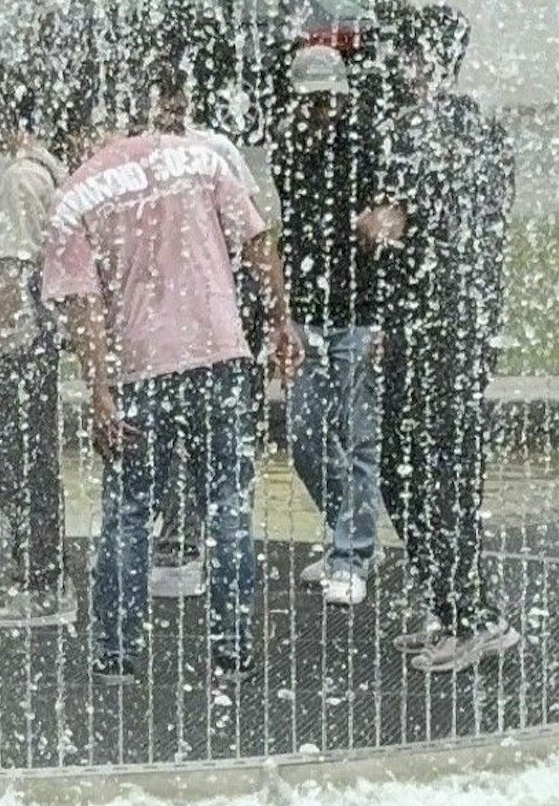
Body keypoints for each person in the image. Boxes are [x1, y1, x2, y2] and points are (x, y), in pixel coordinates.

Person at [41, 113, 302, 682]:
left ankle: (116, 655)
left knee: (130, 511)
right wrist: (280, 321)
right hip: (219, 354)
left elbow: (84, 305)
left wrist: (100, 390)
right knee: (228, 505)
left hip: (140, 369)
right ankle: (233, 653)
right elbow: (258, 241)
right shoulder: (201, 159)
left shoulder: (76, 194)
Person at [376, 5, 523, 672]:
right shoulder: (480, 126)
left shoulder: (422, 128)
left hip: (438, 322)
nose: (399, 66)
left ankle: (473, 617)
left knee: (424, 468)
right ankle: (452, 607)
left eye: (407, 54)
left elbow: (398, 223)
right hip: (458, 320)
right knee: (431, 465)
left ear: (426, 59)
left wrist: (372, 221)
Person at [139, 58, 276, 602]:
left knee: (219, 436)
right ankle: (180, 543)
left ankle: (221, 553)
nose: (173, 112)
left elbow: (252, 227)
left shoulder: (215, 150)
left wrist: (269, 312)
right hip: (160, 318)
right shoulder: (134, 155)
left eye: (179, 102)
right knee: (170, 434)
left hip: (221, 311)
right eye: (163, 102)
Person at [272, 44, 403, 608]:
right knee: (305, 437)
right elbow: (294, 234)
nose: (321, 111)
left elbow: (392, 230)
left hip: (359, 313)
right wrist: (282, 318)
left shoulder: (368, 145)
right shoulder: (286, 150)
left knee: (359, 440)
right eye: (312, 101)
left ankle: (351, 554)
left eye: (329, 100)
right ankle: (354, 533)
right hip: (308, 315)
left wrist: (385, 318)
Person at [0, 61, 74, 627]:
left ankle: (41, 582)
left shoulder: (19, 178)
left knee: (15, 463)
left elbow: (15, 266)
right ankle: (42, 571)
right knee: (35, 459)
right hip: (43, 336)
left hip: (22, 339)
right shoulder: (48, 168)